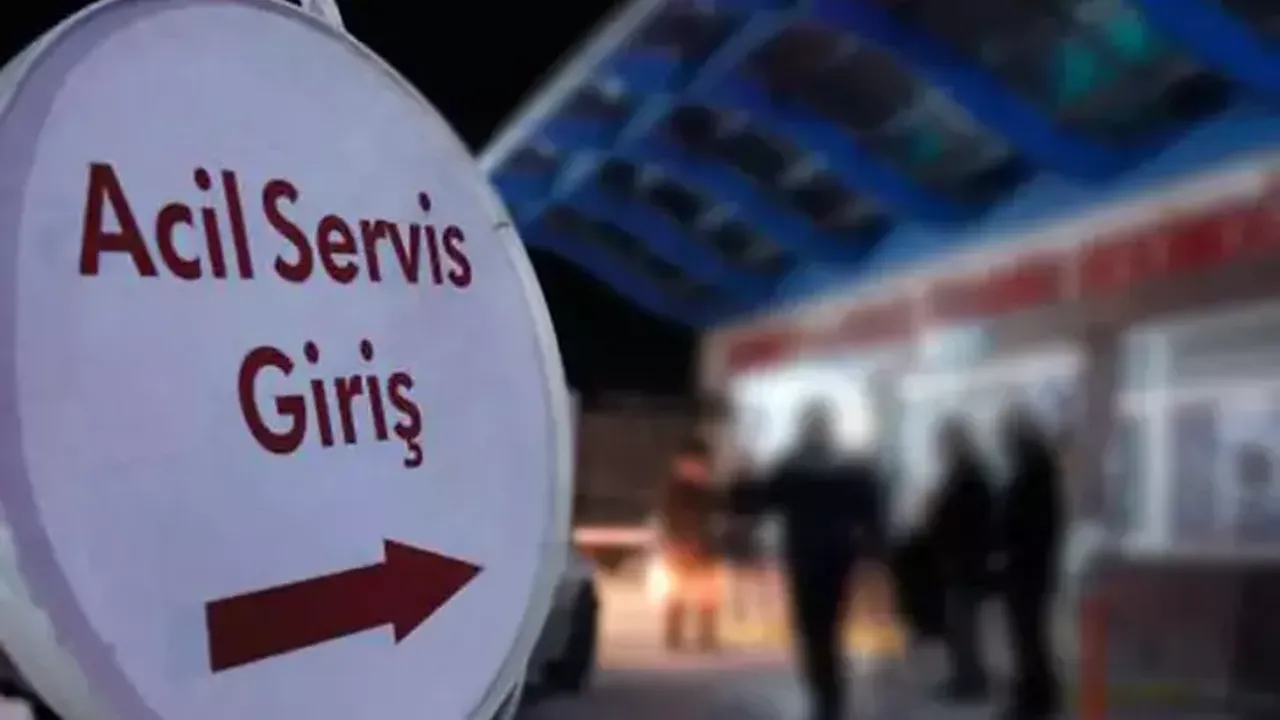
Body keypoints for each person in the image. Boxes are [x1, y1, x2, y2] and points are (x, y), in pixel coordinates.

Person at [727, 401, 885, 720]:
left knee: (812, 633)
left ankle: (824, 697)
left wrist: (741, 476)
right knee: (831, 630)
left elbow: (753, 502)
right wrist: (871, 550)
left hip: (806, 559)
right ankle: (832, 698)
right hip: (838, 559)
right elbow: (870, 513)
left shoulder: (792, 469)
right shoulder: (848, 470)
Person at [997, 406, 1064, 719]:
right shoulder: (1034, 471)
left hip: (1027, 570)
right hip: (1027, 569)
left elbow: (1029, 525)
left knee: (1028, 637)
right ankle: (1034, 695)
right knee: (1027, 636)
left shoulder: (1034, 473)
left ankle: (1035, 699)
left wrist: (1009, 547)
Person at [924, 417, 996, 702]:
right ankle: (965, 676)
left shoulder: (970, 478)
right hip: (959, 562)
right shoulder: (962, 476)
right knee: (959, 625)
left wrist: (936, 513)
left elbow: (967, 519)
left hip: (966, 563)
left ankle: (970, 680)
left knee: (963, 624)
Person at [656, 435, 722, 652]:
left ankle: (706, 636)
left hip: (706, 551)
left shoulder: (709, 492)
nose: (695, 469)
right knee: (677, 594)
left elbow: (715, 520)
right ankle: (674, 636)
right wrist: (676, 541)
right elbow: (668, 519)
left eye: (700, 464)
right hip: (679, 549)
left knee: (707, 596)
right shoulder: (673, 492)